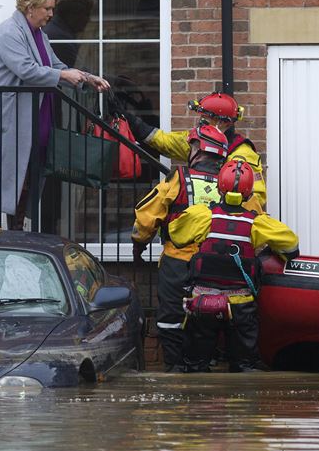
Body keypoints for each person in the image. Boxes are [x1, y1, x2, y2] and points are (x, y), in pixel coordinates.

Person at [0, 0, 109, 231]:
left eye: (52, 8)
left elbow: (55, 66)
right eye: (47, 8)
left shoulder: (38, 35)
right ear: (30, 7)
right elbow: (27, 70)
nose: (51, 14)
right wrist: (62, 76)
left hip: (19, 119)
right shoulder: (8, 32)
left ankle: (15, 236)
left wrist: (87, 79)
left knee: (22, 177)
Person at [131, 125, 255, 372]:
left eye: (191, 145)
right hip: (219, 267)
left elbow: (147, 218)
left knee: (171, 320)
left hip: (178, 262)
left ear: (199, 149)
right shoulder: (235, 182)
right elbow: (255, 219)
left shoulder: (179, 178)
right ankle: (216, 363)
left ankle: (177, 369)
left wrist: (138, 246)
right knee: (213, 319)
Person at [168, 159, 299, 373]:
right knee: (245, 367)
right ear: (249, 194)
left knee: (194, 366)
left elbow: (176, 235)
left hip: (202, 302)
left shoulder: (202, 216)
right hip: (241, 306)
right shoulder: (258, 223)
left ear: (219, 187)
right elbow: (291, 245)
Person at [122, 92, 268, 208]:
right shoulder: (199, 140)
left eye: (204, 119)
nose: (199, 123)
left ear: (222, 122)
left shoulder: (242, 154)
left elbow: (256, 198)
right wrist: (130, 120)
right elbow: (165, 141)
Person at [42, 0, 96, 68]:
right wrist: (117, 81)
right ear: (74, 14)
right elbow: (81, 74)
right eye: (86, 14)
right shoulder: (60, 39)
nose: (88, 19)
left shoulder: (57, 31)